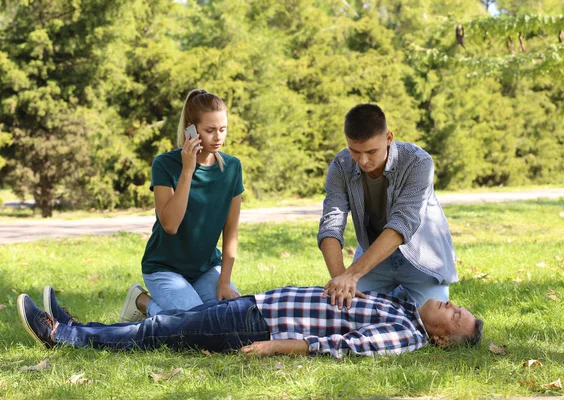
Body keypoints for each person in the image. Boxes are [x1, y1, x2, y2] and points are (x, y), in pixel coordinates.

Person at [18, 286, 483, 358]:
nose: (448, 305)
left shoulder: (404, 334)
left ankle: (66, 336)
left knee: (158, 330)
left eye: (455, 314)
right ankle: (80, 328)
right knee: (171, 321)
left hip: (258, 326)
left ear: (441, 338)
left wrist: (275, 346)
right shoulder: (405, 310)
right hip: (261, 305)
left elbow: (343, 345)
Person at [118, 89, 244, 323]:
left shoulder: (232, 168)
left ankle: (167, 304)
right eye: (209, 130)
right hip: (164, 268)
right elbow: (170, 225)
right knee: (196, 325)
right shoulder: (165, 164)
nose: (218, 137)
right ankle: (143, 303)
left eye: (222, 129)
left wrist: (224, 281)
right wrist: (187, 170)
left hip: (206, 268)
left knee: (234, 319)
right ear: (191, 129)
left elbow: (231, 232)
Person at [318, 104, 457, 309]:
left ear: (389, 138)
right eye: (355, 151)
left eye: (371, 151)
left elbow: (401, 225)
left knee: (433, 323)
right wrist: (342, 280)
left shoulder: (418, 162)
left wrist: (352, 274)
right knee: (343, 311)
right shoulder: (341, 165)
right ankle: (393, 297)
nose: (363, 160)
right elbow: (331, 224)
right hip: (373, 257)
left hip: (422, 259)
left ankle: (398, 296)